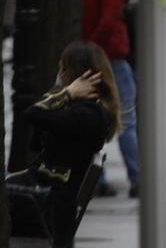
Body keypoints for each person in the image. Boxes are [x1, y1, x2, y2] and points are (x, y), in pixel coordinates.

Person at [8, 41, 121, 248]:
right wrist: (62, 98)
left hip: (45, 202)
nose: (59, 74)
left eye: (63, 69)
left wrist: (65, 93)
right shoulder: (83, 111)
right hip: (43, 194)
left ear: (77, 75)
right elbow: (36, 143)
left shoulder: (89, 115)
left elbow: (31, 114)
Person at [82, 0, 140, 198]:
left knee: (91, 119)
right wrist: (95, 50)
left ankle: (96, 179)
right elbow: (108, 21)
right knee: (127, 118)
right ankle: (137, 177)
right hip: (111, 56)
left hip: (88, 54)